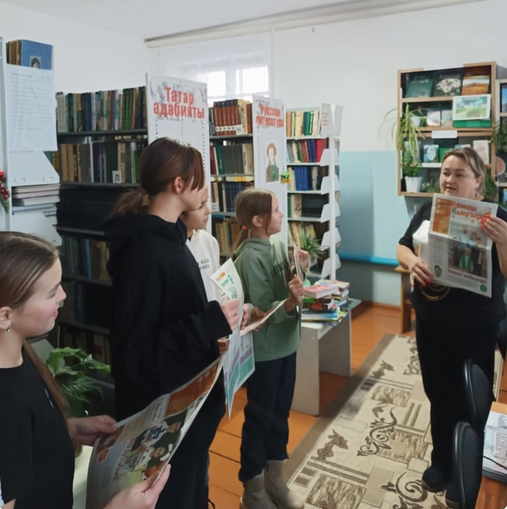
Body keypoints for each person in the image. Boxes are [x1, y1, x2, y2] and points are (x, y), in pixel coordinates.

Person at [104, 137, 239, 509]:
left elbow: (173, 316)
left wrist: (211, 331)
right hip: (165, 423)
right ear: (178, 184)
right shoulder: (146, 251)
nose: (206, 191)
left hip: (187, 416)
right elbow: (135, 353)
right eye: (200, 180)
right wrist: (206, 325)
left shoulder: (172, 240)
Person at [0, 231, 170, 509]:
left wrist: (66, 429)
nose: (63, 296)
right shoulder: (5, 406)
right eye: (52, 292)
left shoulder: (20, 355)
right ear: (6, 315)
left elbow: (25, 439)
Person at [396, 147, 507, 507]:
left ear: (478, 181)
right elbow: (402, 246)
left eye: (460, 174)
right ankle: (441, 459)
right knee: (437, 392)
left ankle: (467, 466)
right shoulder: (431, 209)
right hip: (432, 321)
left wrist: (503, 241)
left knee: (470, 399)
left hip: (475, 326)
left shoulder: (498, 217)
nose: (449, 179)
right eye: (446, 172)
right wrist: (412, 262)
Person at [233, 188, 305, 509]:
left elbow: (286, 285)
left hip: (287, 344)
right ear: (257, 220)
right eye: (276, 211)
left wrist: (299, 270)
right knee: (259, 419)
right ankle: (253, 488)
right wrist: (290, 301)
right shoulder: (250, 257)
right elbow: (263, 309)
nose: (282, 215)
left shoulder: (276, 244)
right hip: (265, 353)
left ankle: (275, 480)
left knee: (280, 415)